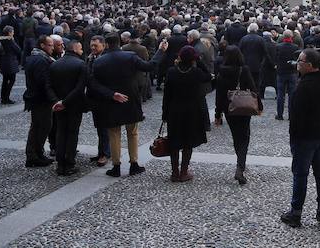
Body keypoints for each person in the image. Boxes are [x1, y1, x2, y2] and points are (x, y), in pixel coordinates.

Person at [90, 33, 157, 178]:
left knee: (114, 134)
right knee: (132, 133)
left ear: (106, 44)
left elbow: (93, 83)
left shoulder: (99, 61)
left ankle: (116, 166)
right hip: (130, 99)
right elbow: (149, 66)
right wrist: (161, 52)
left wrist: (112, 94)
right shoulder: (130, 56)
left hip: (111, 101)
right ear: (119, 42)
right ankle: (134, 164)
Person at [281, 48, 320, 229]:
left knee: (301, 175)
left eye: (300, 61)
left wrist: (293, 137)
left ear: (309, 66)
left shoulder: (303, 87)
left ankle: (296, 213)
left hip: (305, 137)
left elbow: (296, 116)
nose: (297, 64)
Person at [162, 46, 212, 182]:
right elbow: (208, 75)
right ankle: (184, 171)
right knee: (188, 142)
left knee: (174, 140)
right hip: (192, 111)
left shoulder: (172, 72)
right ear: (193, 59)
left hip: (175, 110)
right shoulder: (196, 73)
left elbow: (166, 95)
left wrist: (164, 113)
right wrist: (199, 61)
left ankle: (174, 172)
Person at [214, 45, 262, 184]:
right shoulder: (244, 70)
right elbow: (253, 88)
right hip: (244, 105)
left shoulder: (221, 71)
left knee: (236, 136)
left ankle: (240, 162)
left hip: (229, 107)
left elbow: (219, 94)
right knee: (245, 136)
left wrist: (218, 113)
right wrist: (259, 104)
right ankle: (240, 167)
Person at [49, 40, 87, 175]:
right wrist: (65, 102)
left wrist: (56, 102)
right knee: (72, 133)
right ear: (76, 49)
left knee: (60, 132)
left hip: (59, 105)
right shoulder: (81, 64)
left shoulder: (54, 64)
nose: (82, 51)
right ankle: (69, 162)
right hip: (74, 104)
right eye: (81, 48)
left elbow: (49, 86)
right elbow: (79, 88)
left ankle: (60, 163)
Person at [23, 35, 57, 167]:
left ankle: (37, 153)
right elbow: (43, 82)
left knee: (38, 126)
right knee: (42, 127)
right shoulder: (41, 60)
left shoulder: (35, 57)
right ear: (42, 45)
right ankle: (34, 155)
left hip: (36, 98)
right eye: (50, 45)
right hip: (41, 100)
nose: (52, 48)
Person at [85, 35, 110, 166]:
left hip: (104, 98)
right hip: (94, 97)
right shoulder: (91, 57)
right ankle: (102, 152)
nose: (93, 48)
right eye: (92, 46)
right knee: (99, 127)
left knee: (104, 127)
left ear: (104, 45)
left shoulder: (106, 59)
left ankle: (105, 153)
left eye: (96, 46)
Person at [274, 30, 299, 120]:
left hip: (281, 72)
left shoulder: (278, 46)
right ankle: (291, 115)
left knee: (280, 94)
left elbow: (275, 58)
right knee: (292, 94)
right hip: (292, 72)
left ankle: (280, 114)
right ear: (291, 37)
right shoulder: (295, 47)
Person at [0, 25, 21, 104]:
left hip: (3, 62)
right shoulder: (10, 41)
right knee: (11, 80)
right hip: (10, 62)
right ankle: (6, 98)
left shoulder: (1, 40)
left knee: (5, 80)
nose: (13, 33)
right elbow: (18, 50)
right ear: (9, 33)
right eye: (12, 31)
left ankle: (3, 97)